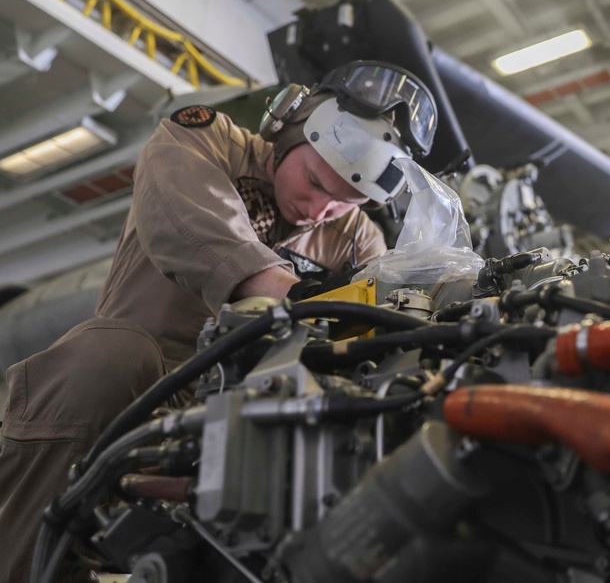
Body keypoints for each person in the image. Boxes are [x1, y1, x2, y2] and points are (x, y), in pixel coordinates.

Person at [0, 60, 438, 583]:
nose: (318, 208)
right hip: (131, 389)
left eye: (343, 203)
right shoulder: (205, 141)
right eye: (316, 180)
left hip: (244, 412)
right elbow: (189, 220)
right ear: (288, 128)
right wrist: (291, 290)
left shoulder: (357, 238)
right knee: (108, 358)